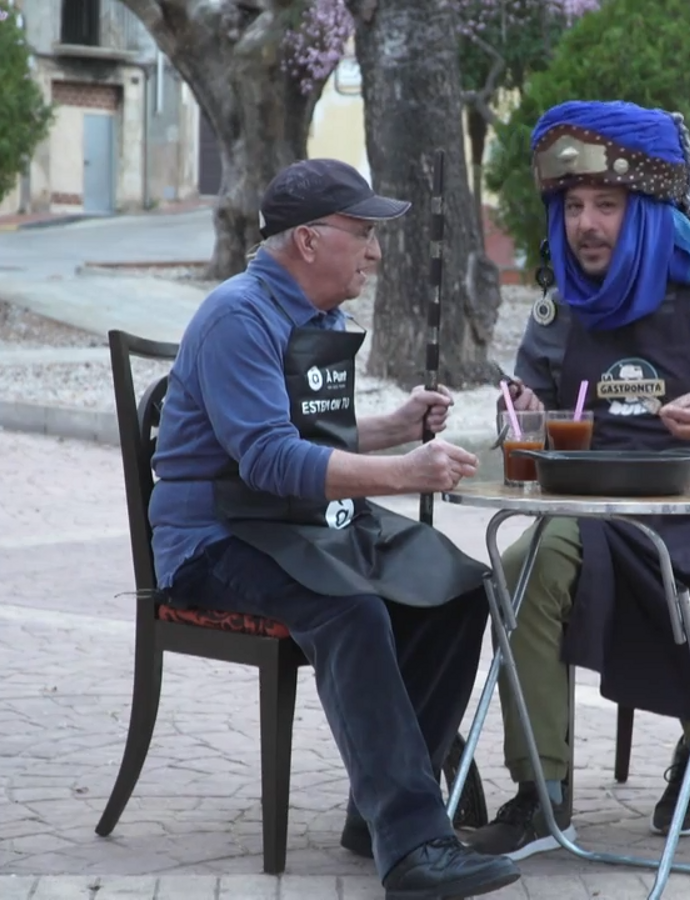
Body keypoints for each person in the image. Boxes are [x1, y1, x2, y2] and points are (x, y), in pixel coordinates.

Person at [147, 158, 520, 898]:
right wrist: (407, 471)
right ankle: (414, 848)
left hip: (298, 523)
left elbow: (316, 438)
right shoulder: (237, 316)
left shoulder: (324, 317)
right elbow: (269, 461)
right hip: (214, 540)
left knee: (456, 589)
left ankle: (375, 810)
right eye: (363, 232)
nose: (377, 252)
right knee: (349, 609)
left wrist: (389, 429)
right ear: (309, 241)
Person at [465, 101, 690, 860]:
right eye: (572, 207)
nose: (586, 224)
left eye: (606, 205)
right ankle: (541, 790)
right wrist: (521, 410)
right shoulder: (560, 306)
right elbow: (524, 408)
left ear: (651, 211)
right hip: (590, 520)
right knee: (520, 566)